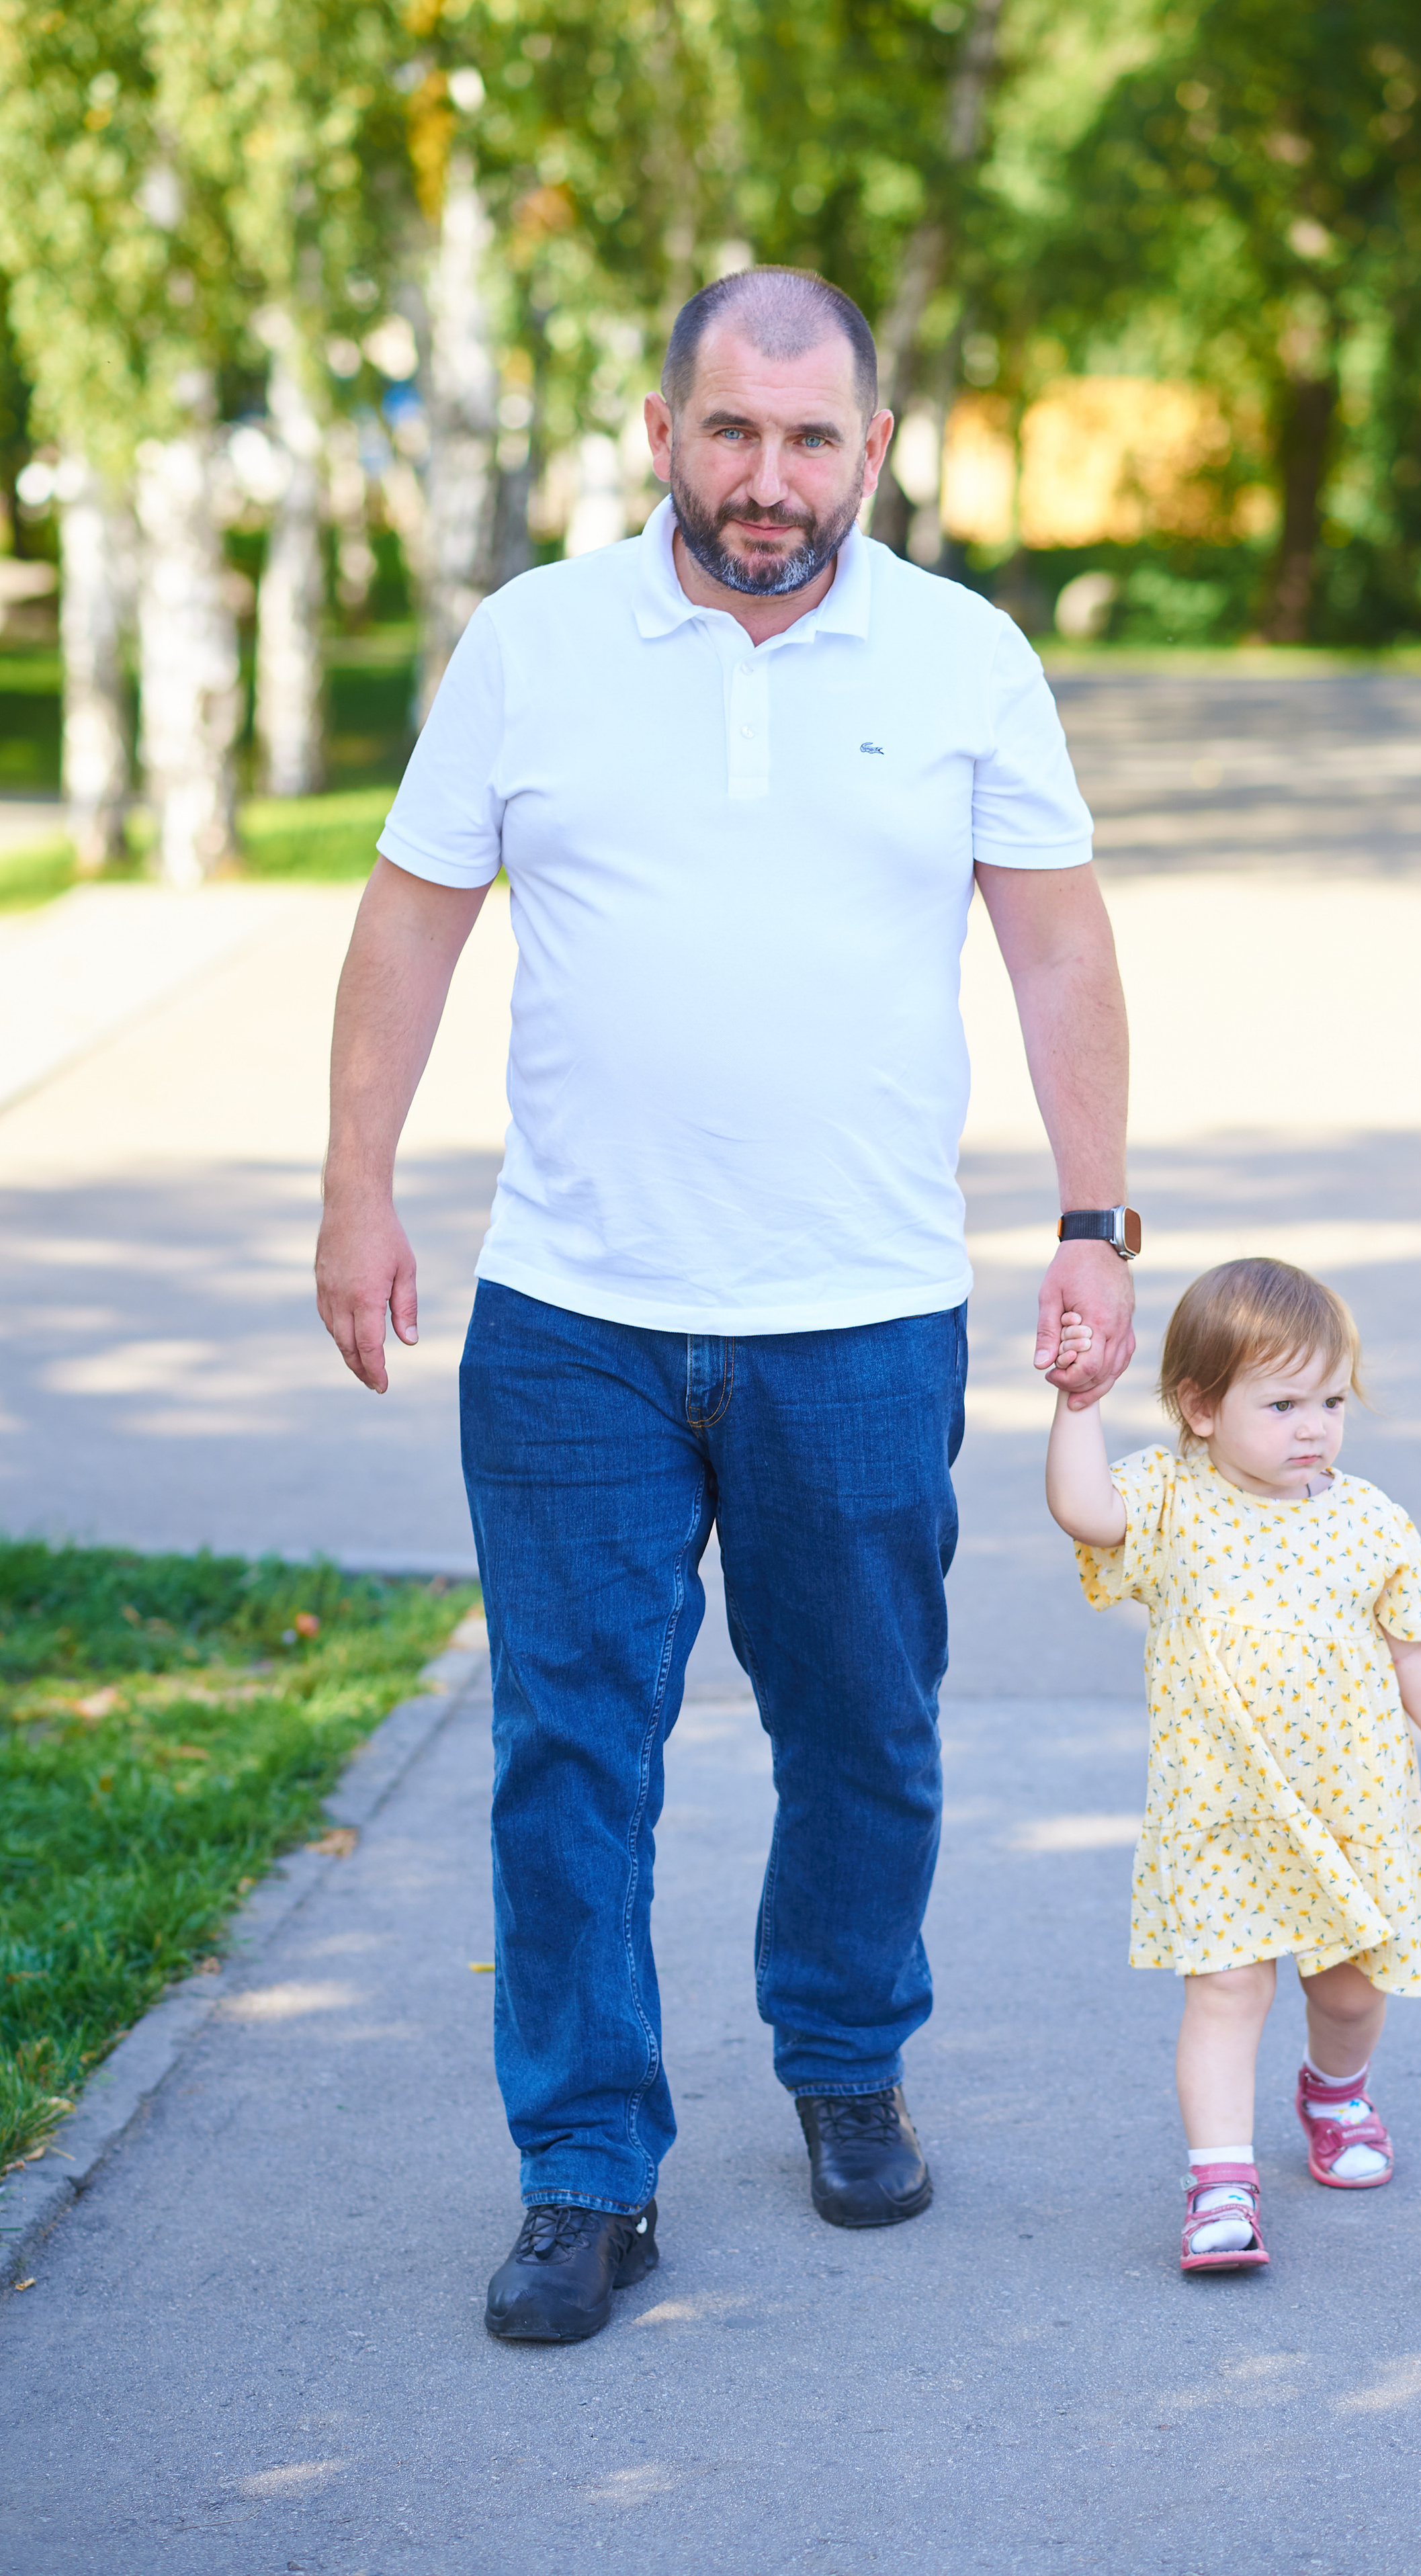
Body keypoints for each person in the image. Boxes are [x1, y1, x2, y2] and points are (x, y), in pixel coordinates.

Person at [314, 265, 1139, 2344]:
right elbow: (410, 925)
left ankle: (847, 2058)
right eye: (728, 433)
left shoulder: (964, 656)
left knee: (863, 1725)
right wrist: (354, 1188)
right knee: (568, 1748)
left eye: (807, 439)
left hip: (856, 1313)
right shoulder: (534, 644)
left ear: (873, 445)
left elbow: (1057, 953)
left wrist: (1093, 1222)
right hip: (572, 1309)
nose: (764, 480)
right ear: (661, 431)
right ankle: (587, 2166)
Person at [1043, 1256, 1421, 2274]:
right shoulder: (1171, 1498)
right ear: (1201, 1406)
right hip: (1222, 1811)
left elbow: (1418, 1648)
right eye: (1282, 1402)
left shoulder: (1370, 1521)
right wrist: (1079, 1406)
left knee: (1352, 1989)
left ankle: (1335, 2093)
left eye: (1330, 1399)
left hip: (1354, 1807)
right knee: (1227, 1991)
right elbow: (1086, 1513)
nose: (1314, 1425)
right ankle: (1220, 2181)